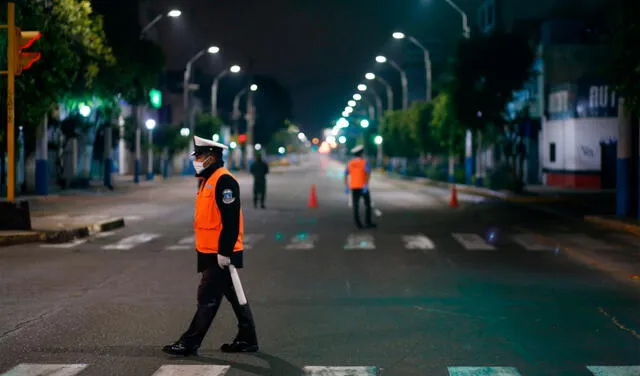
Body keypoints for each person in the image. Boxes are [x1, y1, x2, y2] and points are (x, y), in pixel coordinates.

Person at [162, 135, 258, 356]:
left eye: (200, 156)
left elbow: (231, 221)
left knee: (207, 298)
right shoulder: (208, 179)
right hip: (208, 252)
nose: (196, 160)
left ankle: (189, 343)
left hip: (220, 253)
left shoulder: (224, 181)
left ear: (211, 158)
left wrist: (224, 252)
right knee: (235, 297)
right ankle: (248, 337)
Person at [344, 145, 376, 229]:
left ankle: (358, 224)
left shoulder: (350, 163)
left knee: (355, 206)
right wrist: (366, 184)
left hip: (354, 187)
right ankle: (368, 222)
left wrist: (346, 186)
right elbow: (368, 173)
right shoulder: (365, 162)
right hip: (363, 187)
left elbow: (345, 174)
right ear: (361, 153)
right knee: (368, 205)